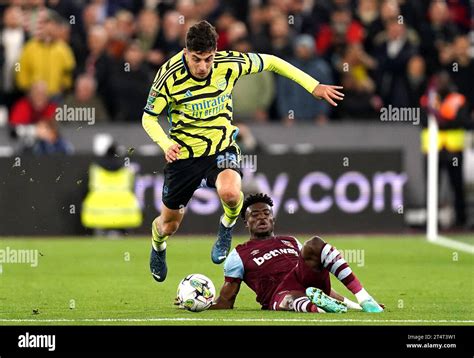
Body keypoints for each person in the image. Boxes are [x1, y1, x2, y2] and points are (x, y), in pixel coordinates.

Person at [142, 20, 344, 283]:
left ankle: (226, 226)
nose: (203, 66)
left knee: (229, 192)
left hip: (221, 146)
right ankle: (158, 245)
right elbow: (148, 118)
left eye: (208, 59)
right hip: (184, 155)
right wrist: (166, 144)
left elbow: (272, 61)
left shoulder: (230, 63)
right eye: (196, 59)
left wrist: (312, 85)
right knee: (168, 225)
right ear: (185, 52)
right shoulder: (168, 76)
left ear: (216, 51)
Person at [210, 193, 384, 313]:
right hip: (279, 294)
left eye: (266, 213)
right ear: (246, 223)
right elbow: (226, 300)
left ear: (273, 219)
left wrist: (356, 307)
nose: (261, 218)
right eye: (254, 215)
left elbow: (322, 291)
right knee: (290, 299)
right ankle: (319, 309)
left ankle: (364, 299)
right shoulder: (238, 254)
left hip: (307, 282)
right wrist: (199, 304)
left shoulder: (291, 240)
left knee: (315, 243)